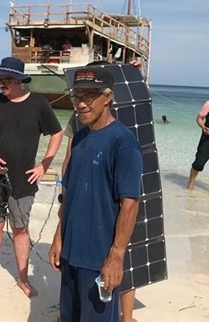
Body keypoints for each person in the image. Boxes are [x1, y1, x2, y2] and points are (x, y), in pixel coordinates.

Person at [49, 65, 143, 322]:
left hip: (98, 258)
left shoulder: (123, 143)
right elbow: (68, 193)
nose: (80, 104)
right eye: (77, 96)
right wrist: (59, 237)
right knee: (68, 316)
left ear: (108, 97)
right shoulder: (79, 139)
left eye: (89, 96)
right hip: (71, 253)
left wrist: (116, 256)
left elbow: (130, 205)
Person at [0, 57, 63, 297]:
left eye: (6, 79)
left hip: (24, 180)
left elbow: (57, 134)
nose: (1, 83)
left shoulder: (38, 104)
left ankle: (23, 278)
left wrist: (43, 165)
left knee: (21, 228)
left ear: (20, 79)